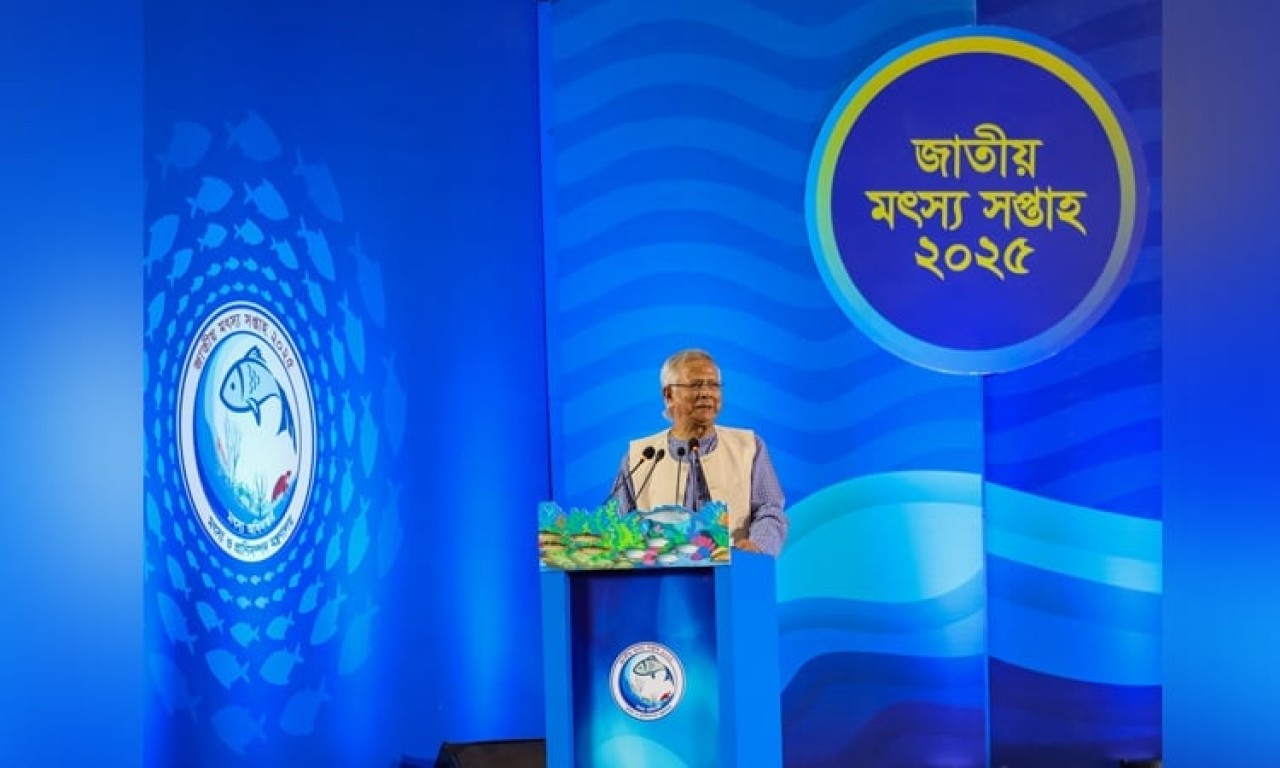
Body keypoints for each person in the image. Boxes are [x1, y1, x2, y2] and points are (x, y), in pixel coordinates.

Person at [611, 349, 788, 556]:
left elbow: (770, 510)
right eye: (695, 385)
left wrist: (757, 546)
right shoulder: (641, 456)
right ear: (669, 395)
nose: (706, 393)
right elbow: (619, 524)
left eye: (713, 385)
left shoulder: (748, 446)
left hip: (734, 569)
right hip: (664, 572)